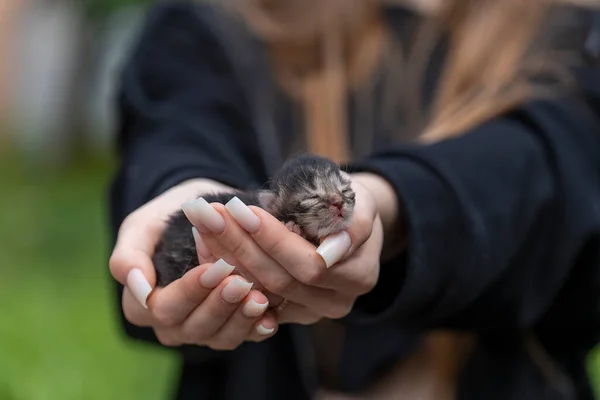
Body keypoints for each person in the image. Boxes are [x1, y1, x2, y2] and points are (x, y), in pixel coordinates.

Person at [108, 0, 600, 399]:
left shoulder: (571, 38)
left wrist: (392, 207)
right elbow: (178, 131)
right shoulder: (214, 24)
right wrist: (186, 204)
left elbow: (540, 177)